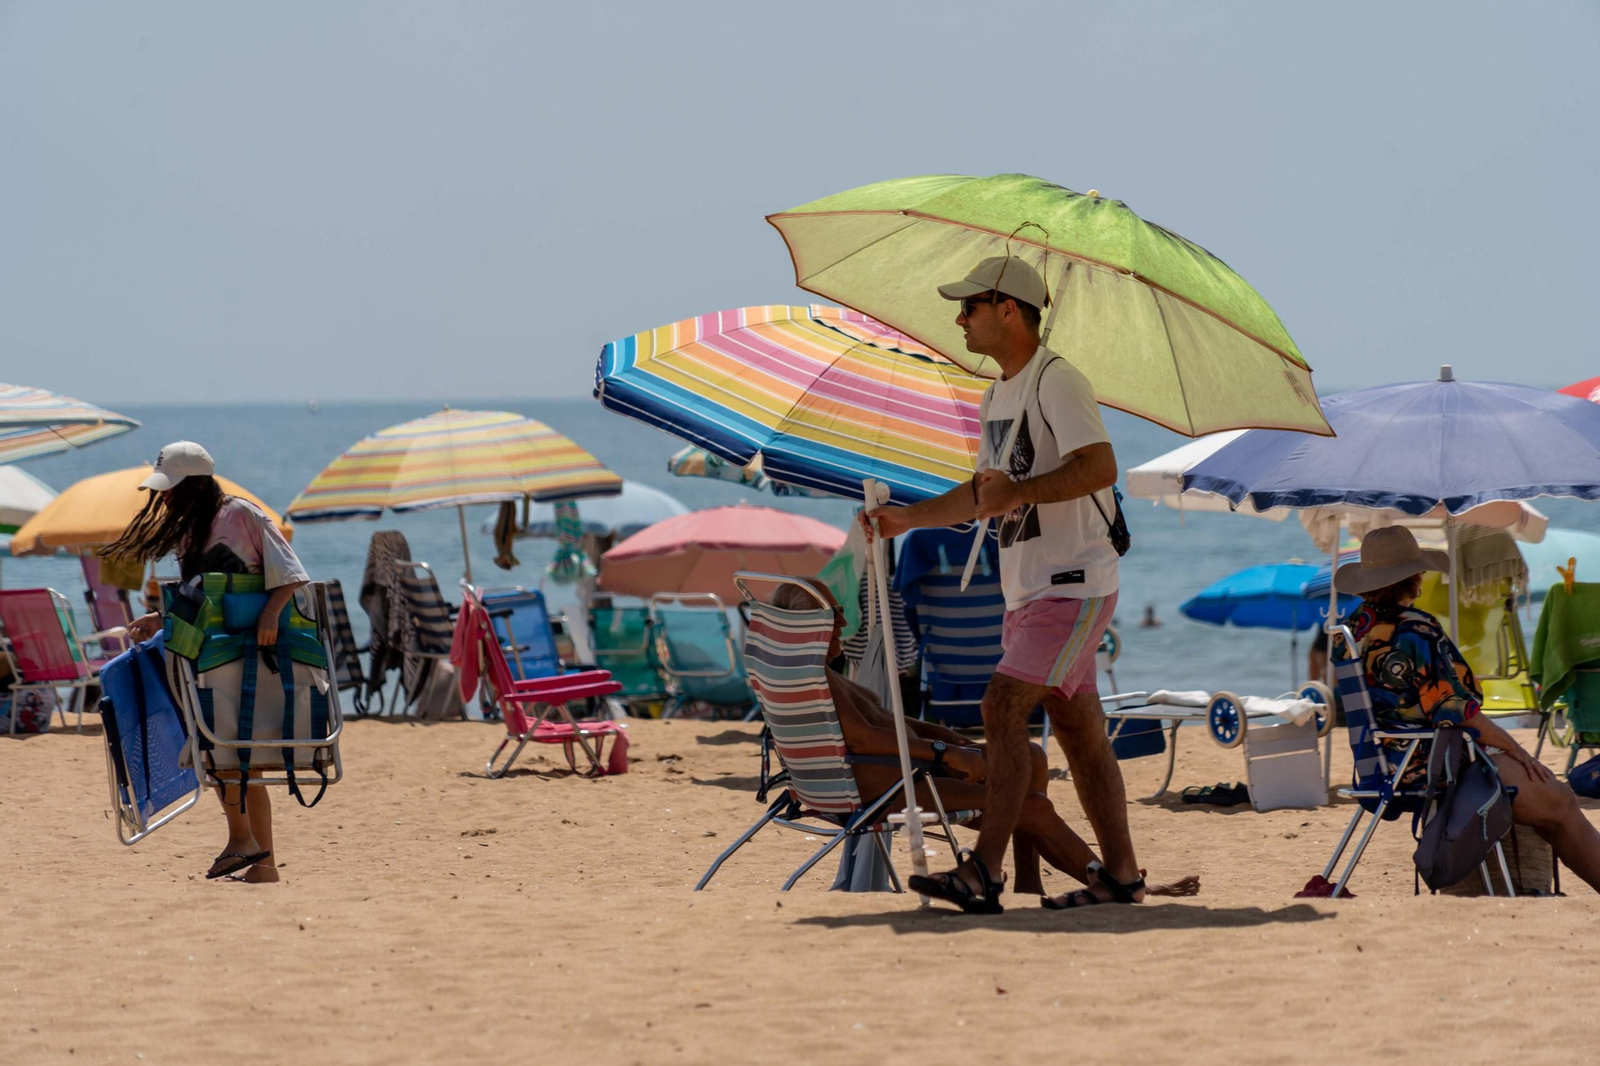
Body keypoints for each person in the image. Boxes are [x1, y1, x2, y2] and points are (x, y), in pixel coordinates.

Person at [861, 256, 1139, 912]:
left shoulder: (1057, 382)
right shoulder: (997, 394)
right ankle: (1122, 874)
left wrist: (1022, 490)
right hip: (1031, 590)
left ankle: (984, 870)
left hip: (1072, 583)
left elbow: (1100, 467)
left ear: (1008, 309)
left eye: (970, 307)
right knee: (1080, 732)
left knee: (1001, 706)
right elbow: (985, 495)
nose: (959, 318)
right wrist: (907, 519)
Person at [770, 581, 1198, 902]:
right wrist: (946, 753)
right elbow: (866, 735)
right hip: (882, 789)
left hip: (898, 773)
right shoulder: (813, 680)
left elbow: (891, 723)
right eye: (833, 614)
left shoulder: (810, 675)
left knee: (1028, 757)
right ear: (807, 626)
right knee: (1030, 806)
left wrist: (958, 744)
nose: (844, 622)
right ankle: (1111, 879)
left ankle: (1031, 883)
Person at [1335, 526, 1600, 893]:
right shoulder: (1417, 630)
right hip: (1432, 763)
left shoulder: (1350, 631)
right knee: (1560, 800)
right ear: (1412, 577)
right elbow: (1458, 710)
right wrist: (1518, 750)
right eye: (1420, 571)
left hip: (1384, 763)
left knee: (1544, 802)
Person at [116, 441, 310, 885]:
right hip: (210, 657)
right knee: (239, 759)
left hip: (252, 655)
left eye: (170, 488)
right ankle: (264, 866)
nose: (163, 497)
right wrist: (159, 616)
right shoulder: (190, 529)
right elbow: (198, 596)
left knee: (228, 755)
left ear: (194, 485)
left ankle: (243, 842)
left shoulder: (242, 514)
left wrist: (270, 614)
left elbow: (294, 575)